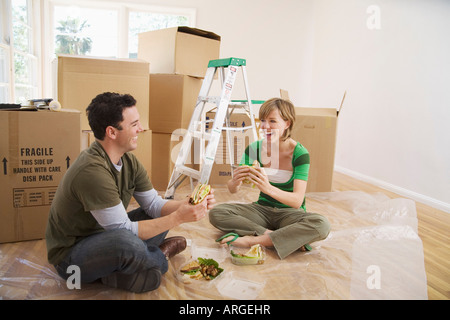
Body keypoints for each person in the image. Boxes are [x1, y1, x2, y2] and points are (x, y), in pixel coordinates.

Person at [45, 92, 215, 293]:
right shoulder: (92, 171)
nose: (141, 129)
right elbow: (122, 231)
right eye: (134, 124)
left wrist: (189, 203)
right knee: (127, 242)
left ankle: (127, 267)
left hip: (105, 235)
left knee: (154, 215)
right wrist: (178, 218)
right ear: (112, 132)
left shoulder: (128, 161)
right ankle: (159, 258)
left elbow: (154, 205)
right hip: (72, 257)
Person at [209, 98, 330, 259]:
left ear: (287, 123)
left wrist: (267, 188)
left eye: (272, 121)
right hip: (262, 210)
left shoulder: (300, 154)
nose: (265, 126)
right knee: (217, 212)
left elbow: (296, 201)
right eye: (263, 120)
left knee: (322, 225)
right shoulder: (254, 148)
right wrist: (235, 181)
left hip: (290, 214)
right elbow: (232, 190)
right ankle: (276, 236)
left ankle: (253, 240)